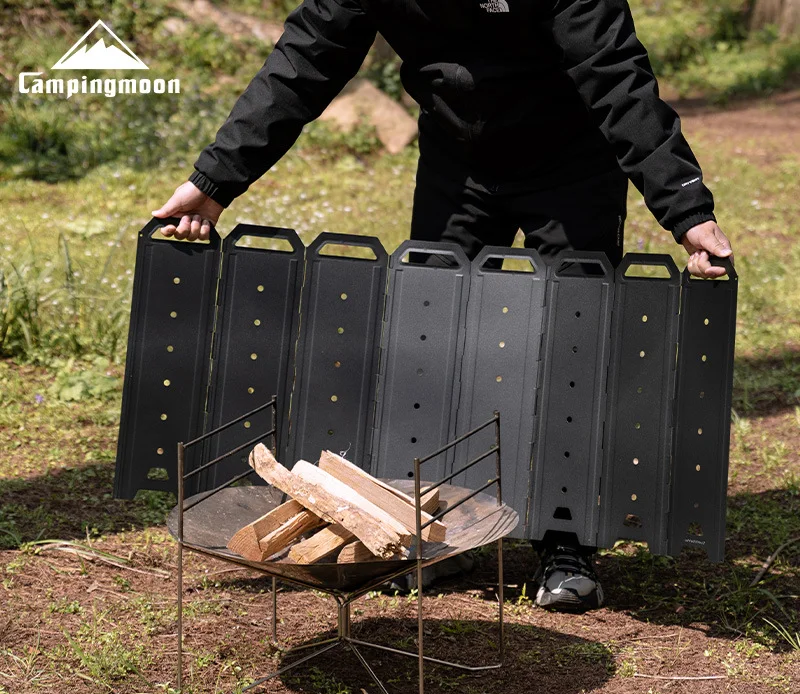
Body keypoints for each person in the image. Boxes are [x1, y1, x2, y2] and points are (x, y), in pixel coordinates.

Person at [153, 0, 734, 611]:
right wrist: (215, 182)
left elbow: (616, 73)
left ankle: (566, 542)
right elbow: (304, 60)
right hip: (458, 159)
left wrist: (687, 211)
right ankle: (432, 531)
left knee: (574, 343)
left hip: (572, 160)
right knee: (427, 342)